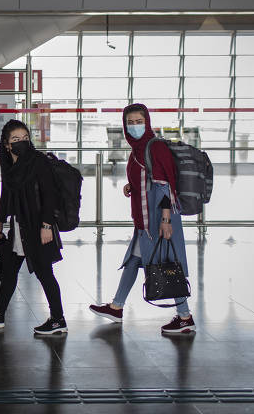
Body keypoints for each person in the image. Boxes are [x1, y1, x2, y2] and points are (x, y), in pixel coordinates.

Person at [89, 103, 196, 334]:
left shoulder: (155, 146)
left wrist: (165, 220)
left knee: (169, 262)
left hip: (159, 218)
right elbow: (146, 178)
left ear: (147, 122)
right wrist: (132, 186)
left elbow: (165, 184)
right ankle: (116, 307)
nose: (134, 126)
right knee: (136, 259)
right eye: (130, 122)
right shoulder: (138, 149)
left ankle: (185, 317)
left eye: (139, 121)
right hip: (147, 220)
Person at [0, 119, 67, 335]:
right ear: (7, 145)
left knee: (45, 273)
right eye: (16, 139)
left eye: (25, 138)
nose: (21, 142)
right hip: (19, 228)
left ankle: (58, 319)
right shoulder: (10, 166)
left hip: (38, 227)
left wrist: (46, 226)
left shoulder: (38, 162)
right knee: (9, 271)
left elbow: (50, 195)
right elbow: (6, 194)